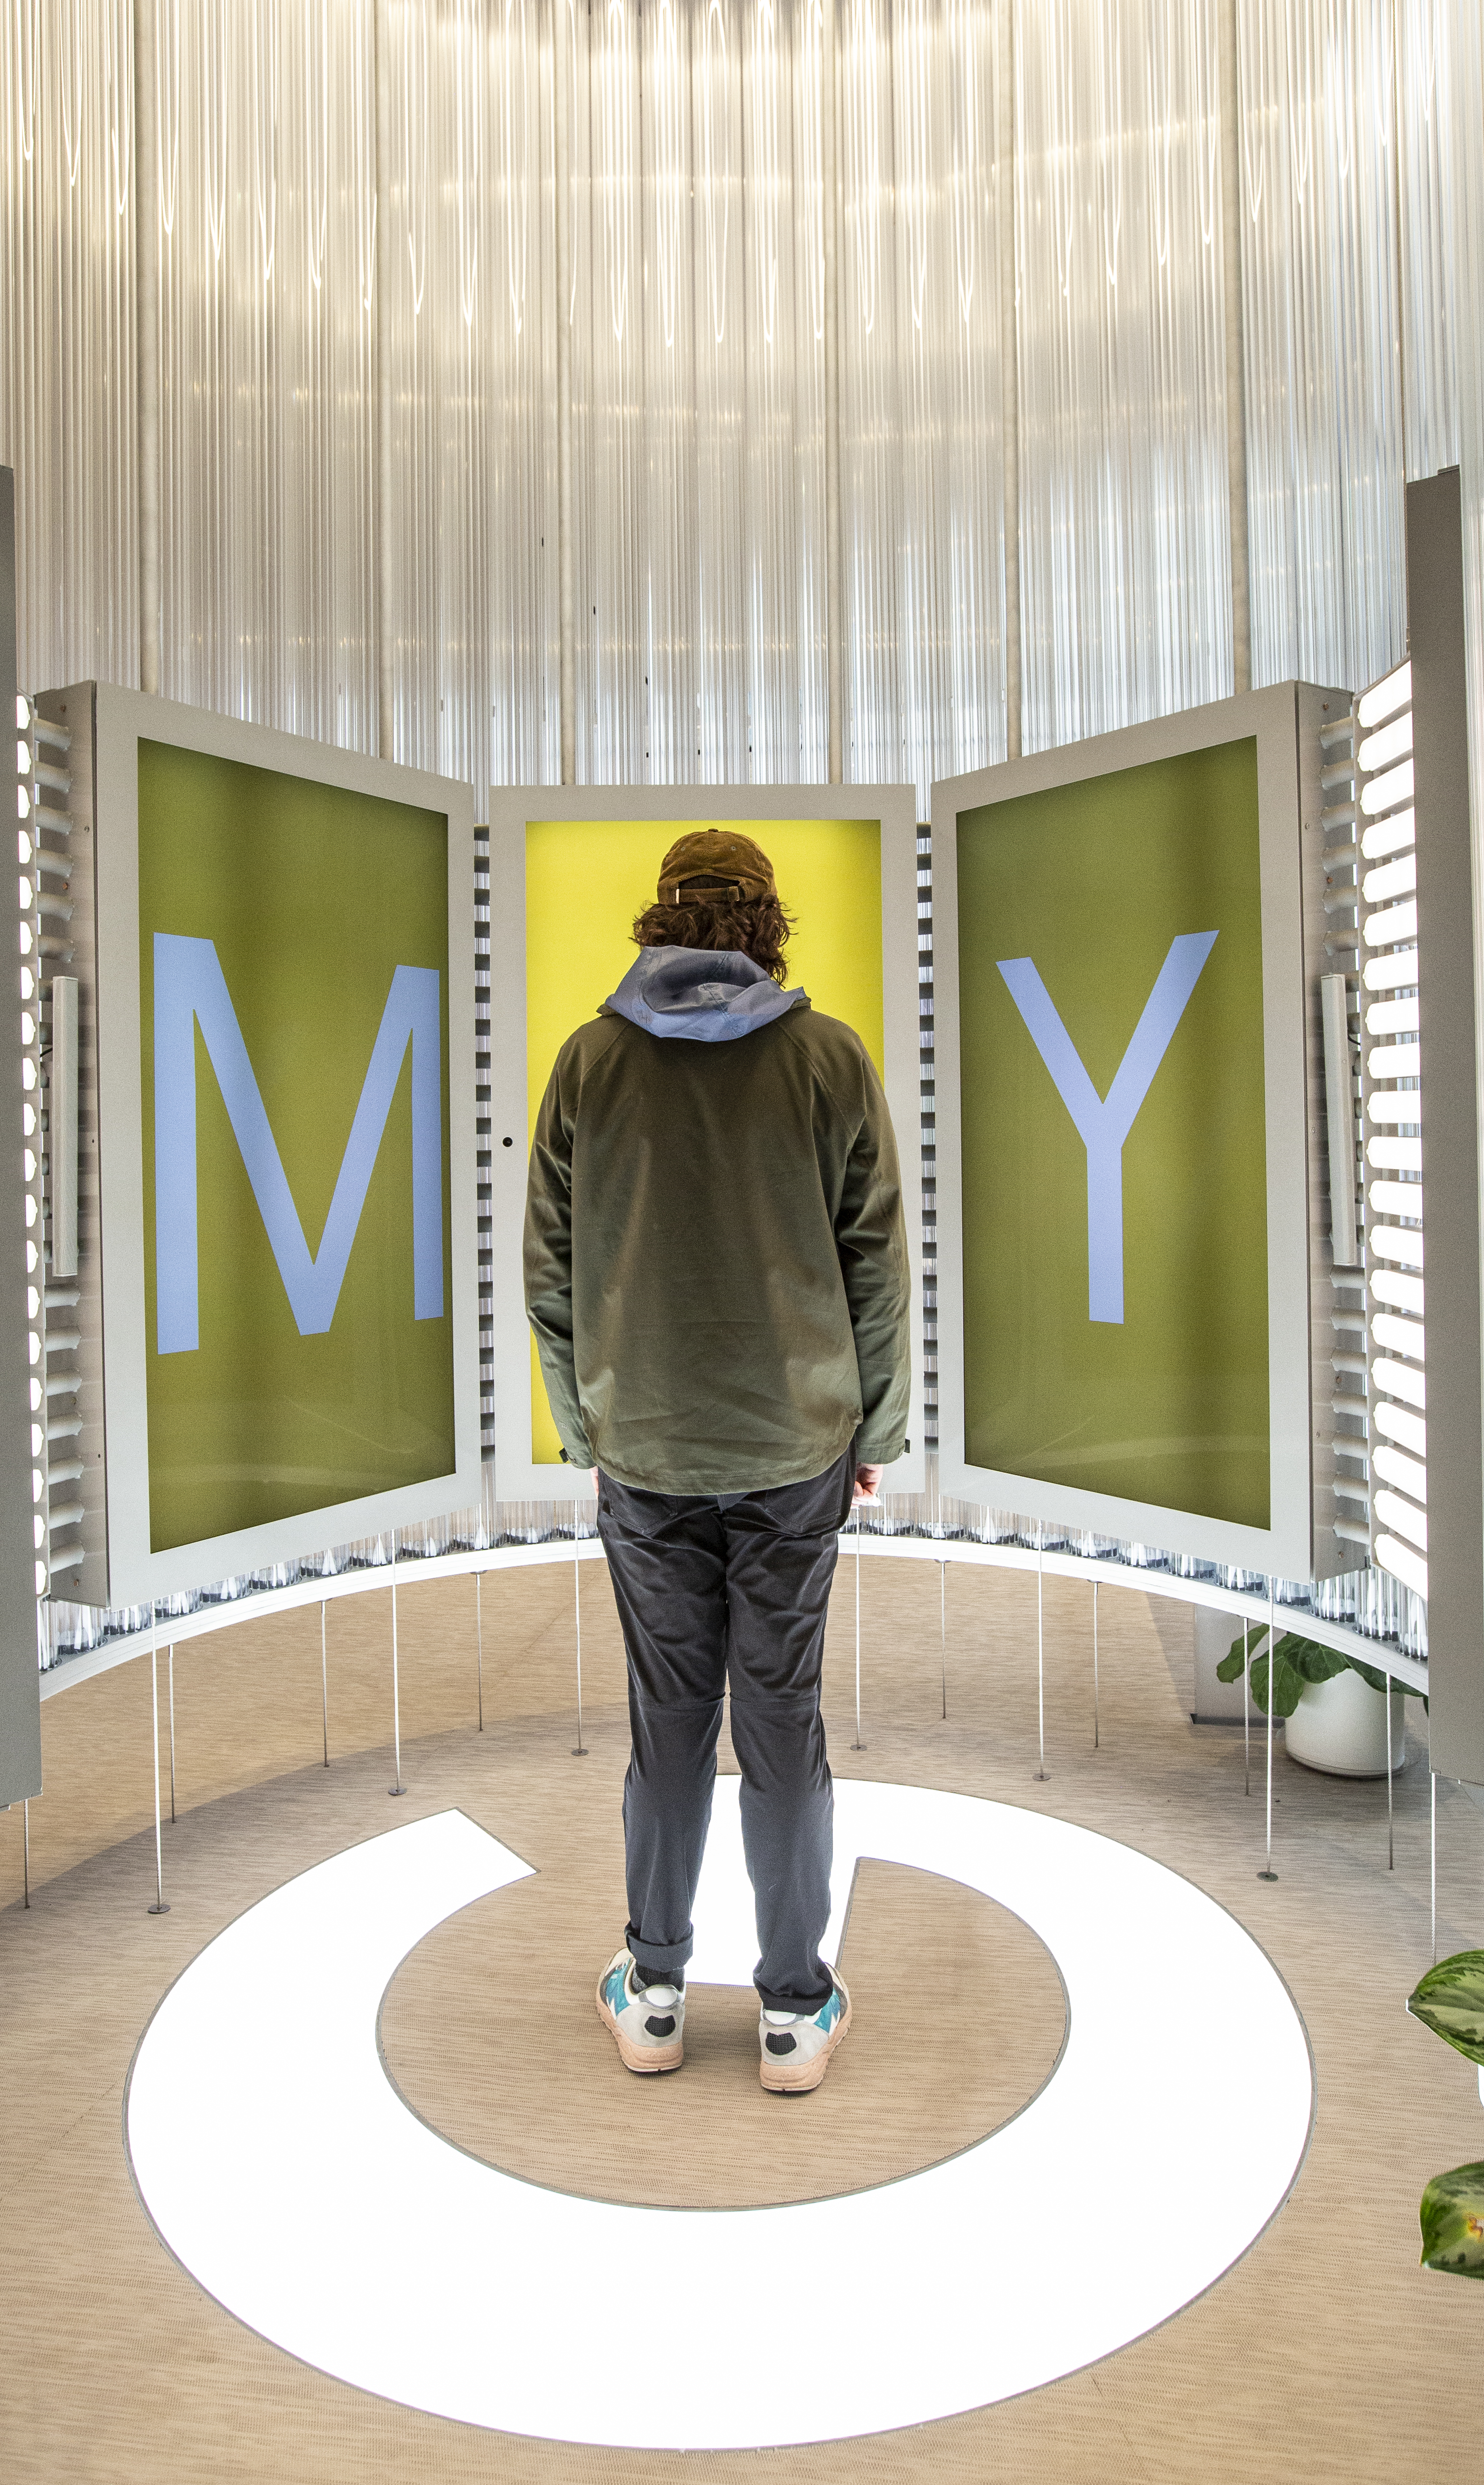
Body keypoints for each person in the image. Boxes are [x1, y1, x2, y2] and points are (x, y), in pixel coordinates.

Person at [523, 829, 911, 2096]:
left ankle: (654, 1992)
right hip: (797, 1445)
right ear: (766, 924)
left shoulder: (589, 1061)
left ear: (660, 922)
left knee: (669, 1723)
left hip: (646, 1453)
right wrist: (877, 1426)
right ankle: (794, 2009)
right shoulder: (828, 1057)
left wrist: (587, 1430)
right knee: (783, 1715)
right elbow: (874, 1261)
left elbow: (549, 1270)